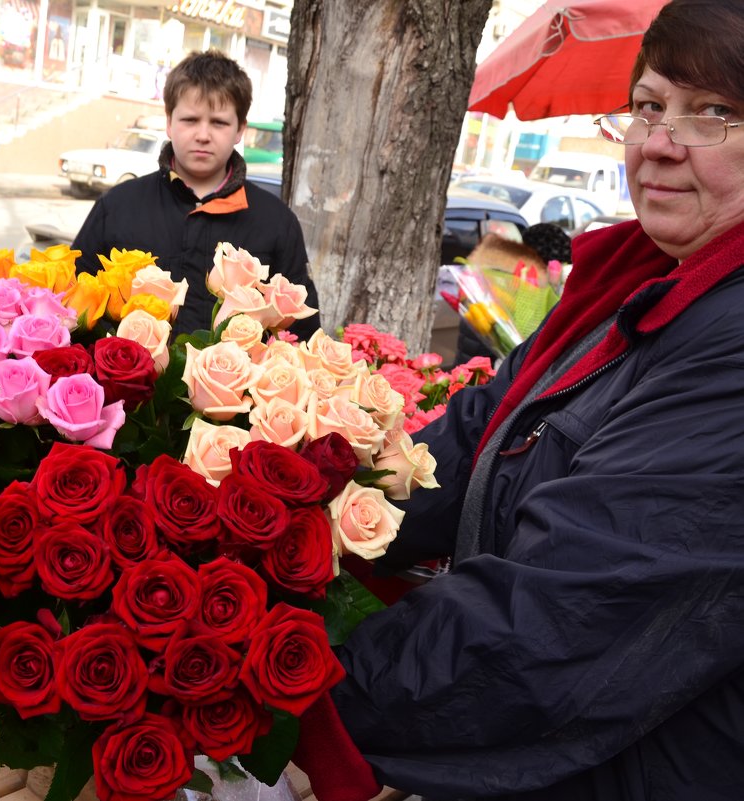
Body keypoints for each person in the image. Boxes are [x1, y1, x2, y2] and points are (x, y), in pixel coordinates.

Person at [295, 1, 744, 799]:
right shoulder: (633, 284)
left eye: (714, 113)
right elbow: (466, 441)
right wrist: (287, 506)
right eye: (649, 106)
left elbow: (560, 617)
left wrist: (293, 697)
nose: (661, 144)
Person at [71, 50, 319, 337]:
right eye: (190, 120)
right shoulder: (117, 207)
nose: (203, 134)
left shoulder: (276, 222)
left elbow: (301, 333)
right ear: (169, 122)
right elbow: (73, 308)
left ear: (240, 129)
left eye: (219, 122)